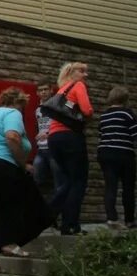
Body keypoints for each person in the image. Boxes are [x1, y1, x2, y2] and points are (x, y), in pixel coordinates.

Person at [0, 87, 54, 273]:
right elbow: (12, 137)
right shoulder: (12, 113)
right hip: (0, 167)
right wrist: (23, 164)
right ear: (18, 103)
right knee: (31, 205)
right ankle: (9, 242)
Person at [48, 62, 94, 235]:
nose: (85, 75)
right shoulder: (78, 86)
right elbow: (87, 110)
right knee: (78, 181)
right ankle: (70, 224)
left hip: (54, 138)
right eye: (82, 71)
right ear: (71, 72)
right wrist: (90, 115)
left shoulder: (62, 90)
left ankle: (51, 214)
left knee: (67, 181)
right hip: (70, 137)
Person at [97, 86, 137, 230]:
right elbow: (135, 134)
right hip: (124, 154)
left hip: (105, 153)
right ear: (125, 99)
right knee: (128, 188)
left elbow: (102, 134)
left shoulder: (104, 116)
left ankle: (111, 218)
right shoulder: (127, 114)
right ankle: (129, 220)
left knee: (110, 186)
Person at [33, 79, 63, 193]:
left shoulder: (57, 106)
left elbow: (62, 125)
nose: (43, 92)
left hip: (54, 148)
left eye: (46, 89)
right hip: (41, 149)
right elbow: (39, 126)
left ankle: (60, 209)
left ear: (51, 91)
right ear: (37, 93)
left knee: (59, 181)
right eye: (40, 90)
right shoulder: (38, 110)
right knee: (37, 178)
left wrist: (48, 133)